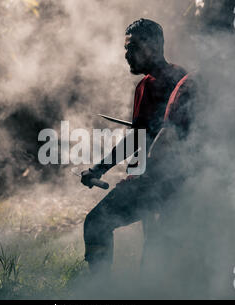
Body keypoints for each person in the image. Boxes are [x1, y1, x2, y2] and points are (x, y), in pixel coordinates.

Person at [79, 18, 196, 273]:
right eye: (125, 48)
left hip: (159, 182)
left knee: (96, 223)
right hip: (171, 181)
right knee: (157, 250)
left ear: (152, 46)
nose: (127, 55)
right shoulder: (169, 78)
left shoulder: (157, 82)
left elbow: (138, 138)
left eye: (132, 47)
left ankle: (101, 291)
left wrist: (98, 170)